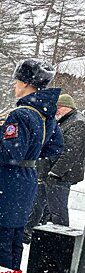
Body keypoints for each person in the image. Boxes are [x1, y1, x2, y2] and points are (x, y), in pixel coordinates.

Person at [0, 58, 64, 269]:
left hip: (8, 182)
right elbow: (55, 147)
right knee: (15, 239)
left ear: (26, 82)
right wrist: (30, 151)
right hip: (26, 180)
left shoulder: (20, 113)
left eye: (17, 81)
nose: (14, 85)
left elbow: (8, 155)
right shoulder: (46, 114)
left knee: (1, 245)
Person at [24, 93, 85, 243]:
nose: (56, 110)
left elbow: (70, 153)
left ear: (68, 107)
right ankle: (27, 233)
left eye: (58, 107)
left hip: (60, 176)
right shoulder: (63, 121)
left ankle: (61, 241)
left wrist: (55, 172)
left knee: (57, 211)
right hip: (46, 172)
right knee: (36, 206)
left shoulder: (77, 122)